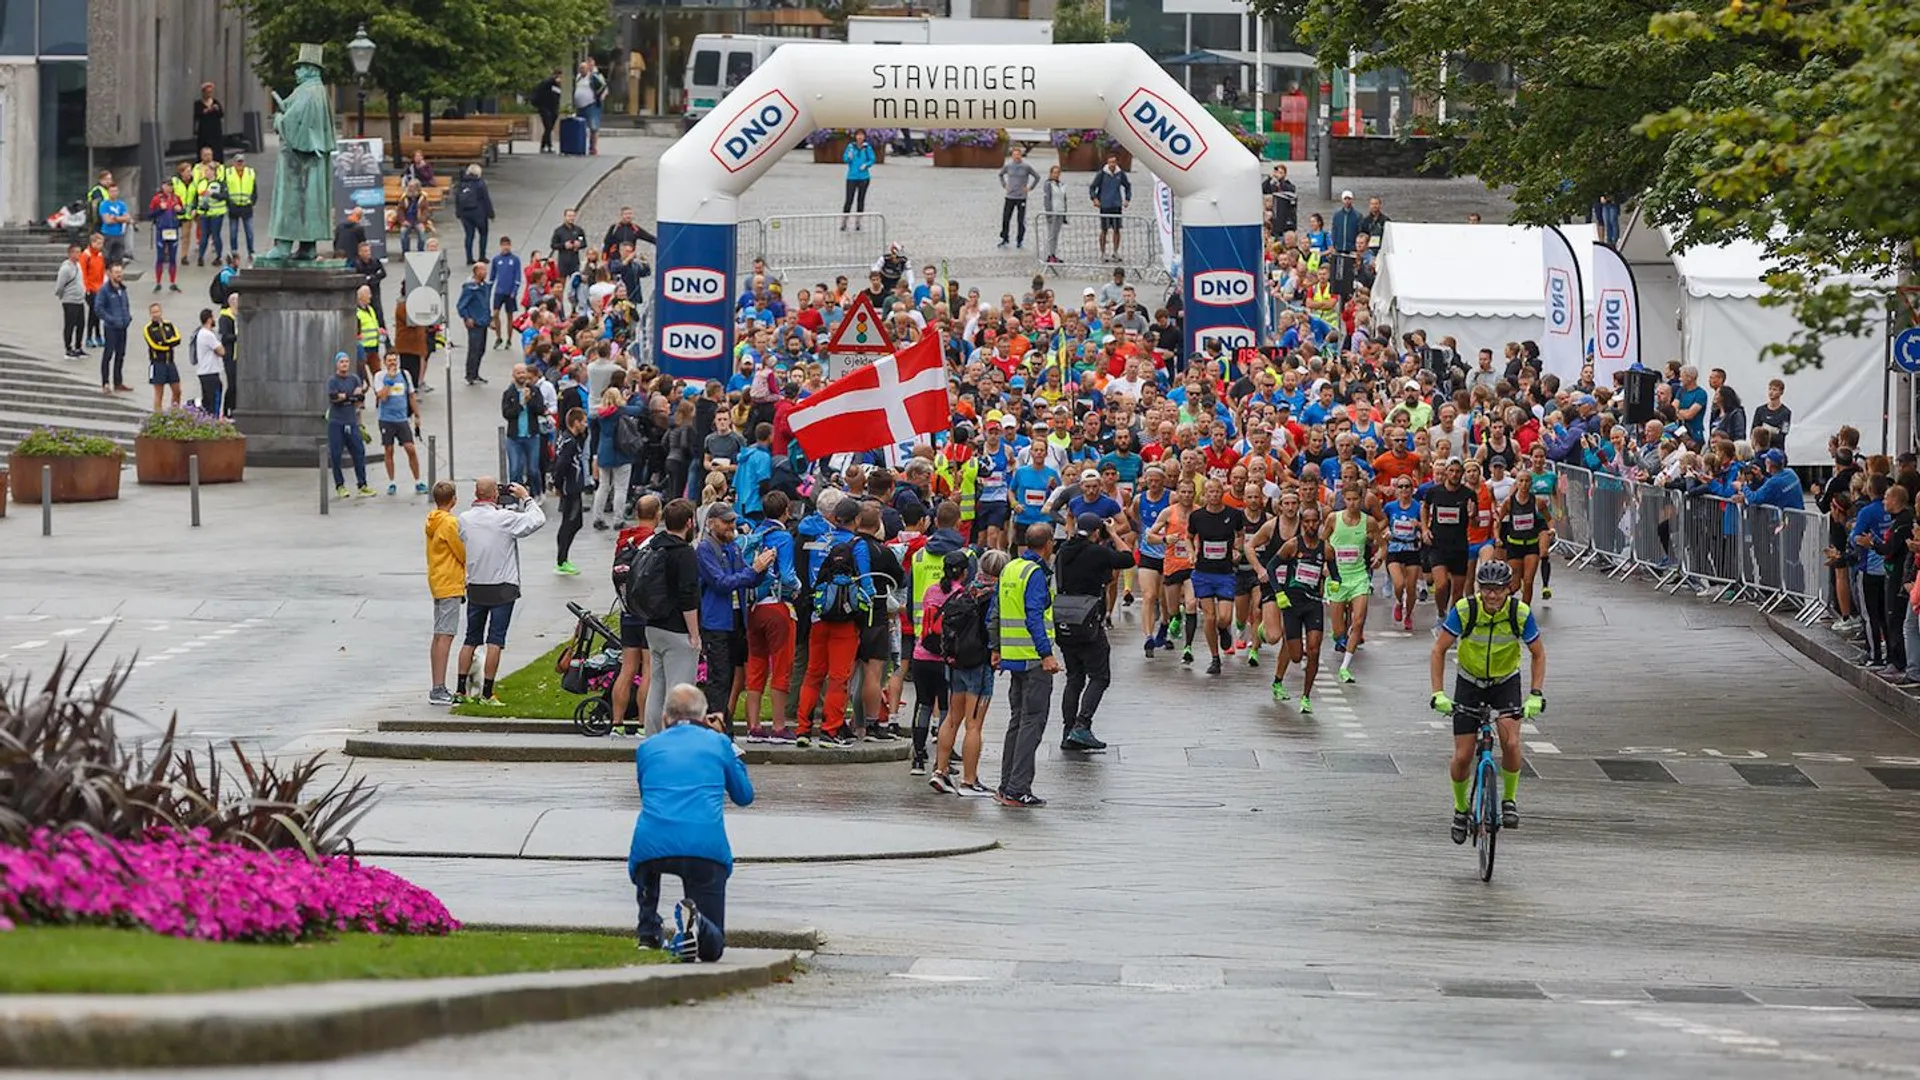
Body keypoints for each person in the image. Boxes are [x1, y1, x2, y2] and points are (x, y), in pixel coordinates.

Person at [628, 683, 753, 962]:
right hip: (704, 847)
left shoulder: (647, 748)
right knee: (712, 951)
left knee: (648, 860)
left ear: (664, 717)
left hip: (651, 842)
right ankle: (697, 924)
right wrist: (729, 745)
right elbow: (744, 796)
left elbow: (646, 793)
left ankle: (648, 931)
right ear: (705, 716)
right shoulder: (718, 744)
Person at [1429, 560, 1546, 843]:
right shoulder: (1465, 610)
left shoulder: (1520, 613)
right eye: (1486, 590)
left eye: (1498, 590)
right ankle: (1460, 808)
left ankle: (1509, 800)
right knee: (1463, 755)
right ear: (1479, 589)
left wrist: (1535, 695)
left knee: (1512, 741)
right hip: (1470, 682)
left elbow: (1538, 654)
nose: (1492, 596)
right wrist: (1438, 694)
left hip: (1505, 681)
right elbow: (1438, 650)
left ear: (1509, 589)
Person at [455, 476, 547, 705]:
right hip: (503, 586)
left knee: (470, 639)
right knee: (495, 640)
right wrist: (525, 497)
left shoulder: (464, 519)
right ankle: (487, 692)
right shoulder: (504, 518)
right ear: (495, 495)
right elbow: (537, 520)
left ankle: (460, 691)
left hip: (476, 584)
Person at [1054, 512, 1135, 750]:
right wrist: (1112, 533)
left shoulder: (1063, 552)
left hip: (1065, 620)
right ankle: (1082, 725)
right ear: (1096, 532)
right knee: (1100, 676)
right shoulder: (1096, 552)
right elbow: (1128, 558)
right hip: (1089, 621)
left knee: (1074, 678)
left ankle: (1068, 731)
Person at [992, 524, 1060, 808]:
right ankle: (1018, 789)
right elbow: (1034, 616)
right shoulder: (1034, 573)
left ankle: (1006, 785)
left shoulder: (1010, 568)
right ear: (1048, 544)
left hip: (1012, 656)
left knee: (1017, 721)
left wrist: (995, 648)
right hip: (1033, 659)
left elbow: (994, 610)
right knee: (1032, 723)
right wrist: (1046, 654)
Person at [424, 481, 468, 706]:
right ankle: (438, 688)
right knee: (446, 635)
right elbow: (461, 551)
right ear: (454, 500)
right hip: (451, 581)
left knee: (439, 634)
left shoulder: (432, 520)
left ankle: (437, 684)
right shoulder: (450, 523)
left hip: (438, 580)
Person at [324, 352, 373, 497]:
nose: (344, 364)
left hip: (351, 421)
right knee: (336, 454)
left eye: (346, 361)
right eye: (341, 362)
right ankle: (340, 485)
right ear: (337, 364)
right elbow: (334, 398)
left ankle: (362, 484)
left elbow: (359, 398)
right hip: (336, 422)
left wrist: (347, 396)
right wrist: (349, 396)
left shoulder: (354, 379)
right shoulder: (332, 381)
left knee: (359, 452)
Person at [374, 353, 424, 496]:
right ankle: (392, 482)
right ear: (385, 362)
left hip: (402, 419)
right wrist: (389, 380)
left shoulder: (405, 375)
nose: (392, 363)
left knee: (410, 449)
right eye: (389, 360)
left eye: (394, 360)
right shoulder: (380, 376)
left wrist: (417, 415)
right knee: (389, 450)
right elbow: (382, 397)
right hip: (386, 419)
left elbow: (411, 396)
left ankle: (418, 481)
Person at [552, 407, 590, 575]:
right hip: (570, 487)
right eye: (583, 421)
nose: (585, 425)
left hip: (573, 486)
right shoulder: (570, 443)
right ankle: (562, 560)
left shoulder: (568, 438)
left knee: (575, 522)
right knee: (570, 522)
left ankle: (563, 558)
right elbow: (561, 465)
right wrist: (558, 485)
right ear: (576, 423)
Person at [95, 263, 132, 394]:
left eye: (120, 272)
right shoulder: (104, 290)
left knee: (121, 354)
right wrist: (110, 319)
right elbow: (98, 308)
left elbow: (126, 305)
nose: (119, 275)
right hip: (111, 328)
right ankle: (105, 382)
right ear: (109, 274)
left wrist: (128, 318)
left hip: (123, 326)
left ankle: (118, 382)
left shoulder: (123, 289)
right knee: (108, 354)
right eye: (116, 272)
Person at [1088, 153, 1132, 262]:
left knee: (1117, 230)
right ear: (1107, 163)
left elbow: (1127, 186)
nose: (1112, 164)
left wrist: (1127, 199)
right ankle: (1103, 252)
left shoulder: (1120, 174)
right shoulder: (1102, 174)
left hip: (1116, 205)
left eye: (1114, 162)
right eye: (1110, 162)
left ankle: (1115, 252)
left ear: (1116, 163)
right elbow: (1093, 187)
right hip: (1105, 205)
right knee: (1104, 230)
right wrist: (1095, 199)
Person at [142, 301, 184, 413]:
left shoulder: (169, 325)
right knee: (159, 392)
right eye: (153, 312)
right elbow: (154, 345)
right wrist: (168, 345)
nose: (156, 314)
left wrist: (165, 343)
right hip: (157, 363)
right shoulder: (148, 328)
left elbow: (178, 339)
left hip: (170, 362)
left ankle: (175, 413)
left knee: (177, 390)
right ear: (150, 314)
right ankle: (158, 417)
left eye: (157, 311)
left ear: (161, 312)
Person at [997, 145, 1039, 250]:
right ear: (1012, 156)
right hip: (1010, 196)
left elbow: (1037, 177)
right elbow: (1000, 174)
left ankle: (1020, 240)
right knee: (1006, 218)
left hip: (1021, 197)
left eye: (1018, 155)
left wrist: (1030, 188)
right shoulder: (1008, 166)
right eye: (1014, 155)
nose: (1016, 157)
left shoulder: (1026, 167)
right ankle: (1005, 238)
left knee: (1020, 220)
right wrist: (1004, 185)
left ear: (1021, 155)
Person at [457, 262, 492, 385]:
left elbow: (486, 305)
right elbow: (461, 305)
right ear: (476, 272)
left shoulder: (485, 286)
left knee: (481, 349)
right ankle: (470, 374)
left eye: (485, 269)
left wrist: (490, 319)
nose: (485, 272)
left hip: (483, 322)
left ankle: (476, 373)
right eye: (482, 270)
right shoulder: (470, 287)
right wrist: (467, 317)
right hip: (475, 323)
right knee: (474, 349)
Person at [453, 165, 496, 266]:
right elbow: (486, 199)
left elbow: (457, 200)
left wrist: (458, 212)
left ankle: (469, 258)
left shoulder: (461, 183)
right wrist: (491, 214)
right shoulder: (480, 183)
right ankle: (482, 256)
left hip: (465, 214)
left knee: (469, 235)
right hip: (479, 213)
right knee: (483, 234)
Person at [189, 307, 225, 416]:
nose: (214, 320)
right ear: (209, 319)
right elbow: (221, 351)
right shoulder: (207, 334)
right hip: (210, 373)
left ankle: (202, 411)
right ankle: (194, 405)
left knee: (209, 400)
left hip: (206, 372)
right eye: (213, 317)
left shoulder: (202, 333)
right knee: (213, 402)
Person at [222, 152, 257, 264]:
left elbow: (254, 189)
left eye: (241, 162)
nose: (240, 164)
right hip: (234, 207)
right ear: (234, 163)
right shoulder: (228, 173)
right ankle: (234, 252)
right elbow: (224, 189)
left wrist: (252, 201)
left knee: (249, 232)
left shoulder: (250, 173)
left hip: (246, 207)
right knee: (233, 232)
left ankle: (251, 252)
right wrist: (229, 203)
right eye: (238, 162)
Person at [489, 237, 523, 350]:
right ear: (500, 246)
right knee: (495, 314)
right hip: (499, 292)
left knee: (509, 316)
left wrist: (515, 291)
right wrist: (488, 290)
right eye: (503, 245)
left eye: (507, 244)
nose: (505, 247)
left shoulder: (515, 259)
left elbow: (518, 276)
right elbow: (492, 276)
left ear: (510, 245)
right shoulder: (496, 259)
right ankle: (498, 337)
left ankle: (509, 339)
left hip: (510, 293)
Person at [54, 245, 87, 359]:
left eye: (80, 252)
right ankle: (68, 348)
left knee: (81, 325)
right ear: (70, 254)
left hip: (80, 300)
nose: (79, 254)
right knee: (70, 325)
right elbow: (60, 285)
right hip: (70, 300)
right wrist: (61, 295)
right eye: (76, 252)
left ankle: (78, 347)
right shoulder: (66, 268)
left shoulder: (78, 265)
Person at [841, 129, 875, 232]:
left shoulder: (867, 147)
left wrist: (866, 165)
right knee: (849, 199)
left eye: (862, 135)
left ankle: (858, 222)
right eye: (858, 135)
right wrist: (849, 157)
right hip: (852, 177)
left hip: (863, 177)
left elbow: (872, 159)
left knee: (861, 199)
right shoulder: (851, 147)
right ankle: (844, 221)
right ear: (855, 136)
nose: (860, 137)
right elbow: (845, 158)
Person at [573, 59, 607, 156]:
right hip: (580, 106)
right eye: (580, 68)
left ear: (587, 68)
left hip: (591, 105)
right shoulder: (578, 77)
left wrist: (598, 97)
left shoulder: (592, 77)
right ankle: (580, 146)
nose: (581, 69)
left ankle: (593, 148)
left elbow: (603, 86)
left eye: (583, 68)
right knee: (581, 127)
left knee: (593, 127)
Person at [97, 183, 131, 268]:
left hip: (119, 234)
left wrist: (114, 217)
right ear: (108, 192)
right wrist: (120, 218)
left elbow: (127, 218)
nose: (114, 193)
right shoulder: (104, 204)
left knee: (119, 258)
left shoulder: (122, 204)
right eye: (112, 191)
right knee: (106, 258)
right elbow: (107, 220)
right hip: (107, 234)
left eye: (116, 191)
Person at [1040, 164, 1068, 266]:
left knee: (1055, 235)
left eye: (1058, 173)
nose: (1056, 175)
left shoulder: (1061, 185)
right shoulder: (1048, 184)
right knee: (1051, 235)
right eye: (1054, 173)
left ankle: (1053, 254)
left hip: (1060, 211)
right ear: (1051, 173)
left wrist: (1065, 213)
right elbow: (1047, 199)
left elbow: (1064, 199)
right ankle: (1049, 255)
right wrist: (1049, 212)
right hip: (1053, 212)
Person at [532, 69, 564, 153]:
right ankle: (546, 145)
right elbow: (545, 85)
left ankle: (546, 145)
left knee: (549, 128)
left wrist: (557, 109)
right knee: (548, 126)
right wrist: (553, 80)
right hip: (544, 108)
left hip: (553, 109)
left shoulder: (557, 86)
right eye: (558, 76)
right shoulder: (547, 83)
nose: (559, 79)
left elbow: (557, 98)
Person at [192, 82, 225, 161]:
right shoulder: (198, 103)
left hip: (215, 130)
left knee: (216, 147)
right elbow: (197, 115)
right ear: (203, 92)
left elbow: (221, 114)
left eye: (210, 92)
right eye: (207, 92)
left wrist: (217, 109)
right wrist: (207, 110)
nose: (209, 94)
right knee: (204, 147)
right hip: (204, 130)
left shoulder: (215, 102)